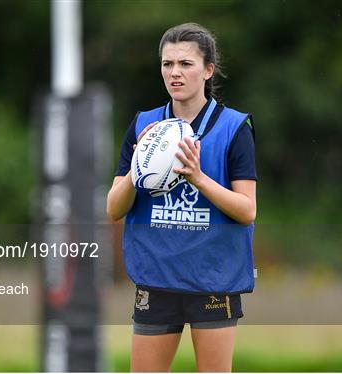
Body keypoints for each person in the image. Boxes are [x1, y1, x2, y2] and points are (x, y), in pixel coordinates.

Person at [107, 23, 257, 372]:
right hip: (157, 277)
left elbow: (247, 210)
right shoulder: (143, 125)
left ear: (208, 70)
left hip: (212, 279)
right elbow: (113, 208)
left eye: (185, 64)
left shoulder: (234, 128)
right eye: (167, 63)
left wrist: (198, 178)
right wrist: (140, 166)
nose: (174, 72)